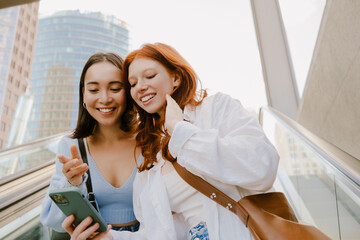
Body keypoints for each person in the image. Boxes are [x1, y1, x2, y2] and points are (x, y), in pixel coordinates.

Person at [62, 43, 280, 240]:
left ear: (175, 78)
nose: (140, 87)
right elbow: (157, 233)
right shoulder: (150, 154)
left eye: (149, 76)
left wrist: (180, 131)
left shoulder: (215, 109)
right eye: (133, 83)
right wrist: (110, 239)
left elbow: (263, 167)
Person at [40, 52, 142, 236]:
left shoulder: (148, 141)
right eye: (94, 90)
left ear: (128, 92)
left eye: (115, 88)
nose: (104, 98)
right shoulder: (71, 146)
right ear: (83, 94)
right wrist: (72, 183)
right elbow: (53, 221)